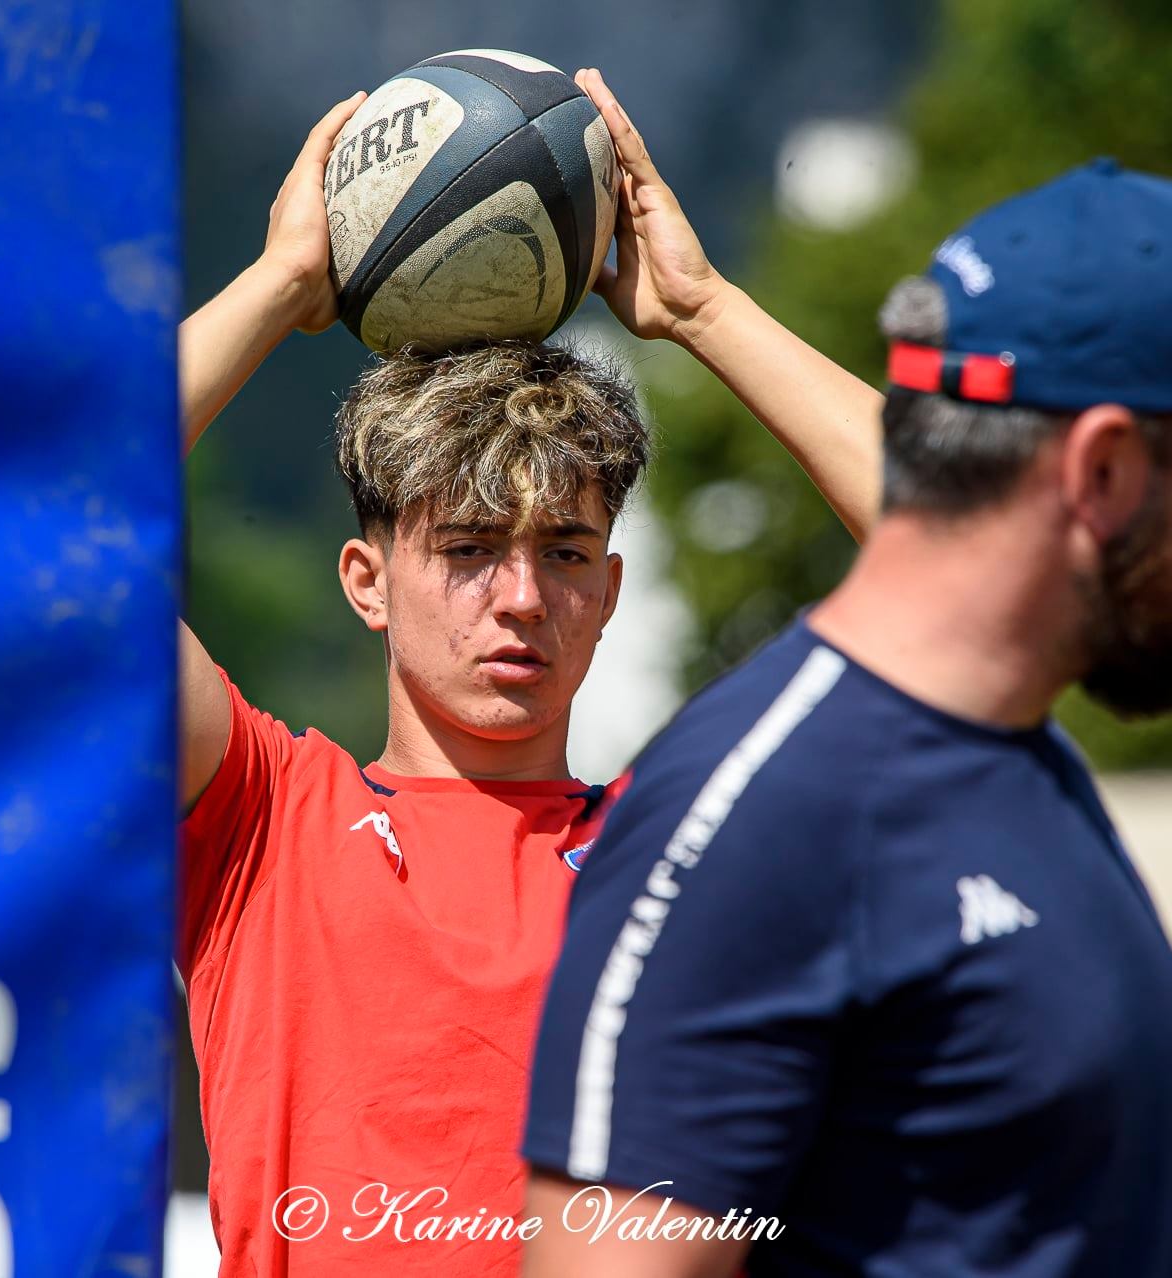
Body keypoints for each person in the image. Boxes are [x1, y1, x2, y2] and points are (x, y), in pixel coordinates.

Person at [521, 159, 1172, 1277]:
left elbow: (939, 537)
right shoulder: (758, 820)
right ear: (1101, 469)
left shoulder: (1012, 747)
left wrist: (704, 310)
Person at [177, 69, 883, 1276]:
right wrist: (282, 282)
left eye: (564, 552)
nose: (520, 597)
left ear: (607, 593)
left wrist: (706, 311)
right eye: (464, 550)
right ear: (366, 582)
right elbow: (50, 524)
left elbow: (970, 553)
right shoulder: (262, 817)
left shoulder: (689, 851)